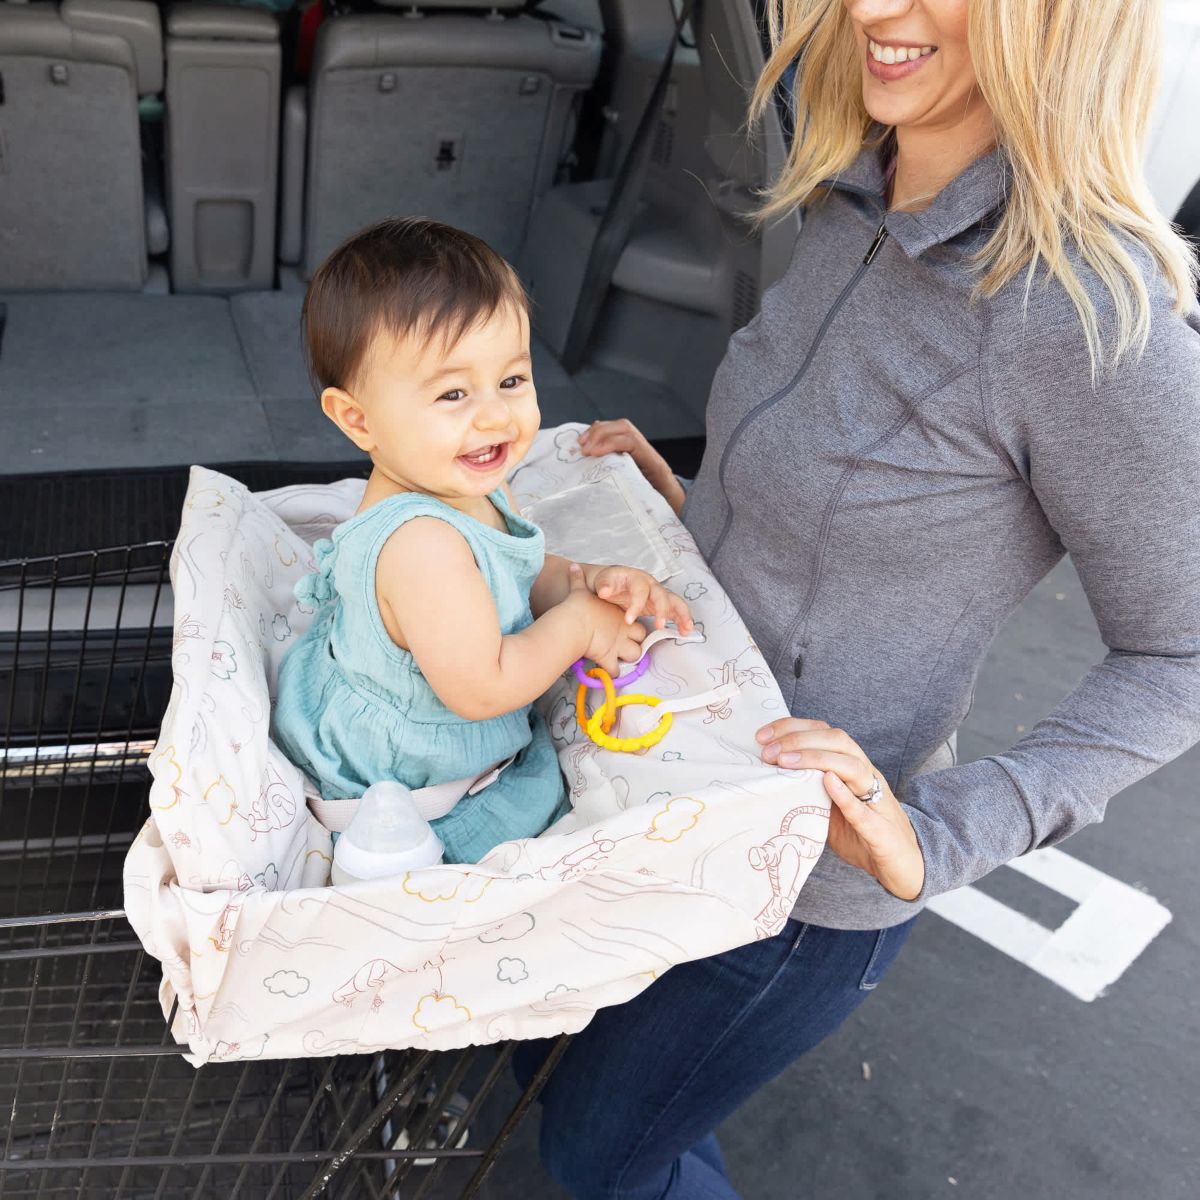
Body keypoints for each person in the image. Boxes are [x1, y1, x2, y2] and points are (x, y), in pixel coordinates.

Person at [515, 0, 1200, 1194]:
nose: (877, 10)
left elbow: (1182, 654)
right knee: (635, 1106)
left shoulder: (1088, 320)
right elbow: (838, 502)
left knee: (601, 1155)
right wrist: (690, 511)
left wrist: (940, 834)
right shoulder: (850, 197)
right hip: (667, 788)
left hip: (793, 891)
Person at [271, 217, 692, 865]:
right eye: (454, 393)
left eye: (512, 381)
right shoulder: (422, 547)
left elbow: (515, 571)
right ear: (359, 419)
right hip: (414, 778)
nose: (495, 416)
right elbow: (484, 689)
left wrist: (588, 579)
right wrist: (579, 626)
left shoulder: (471, 481)